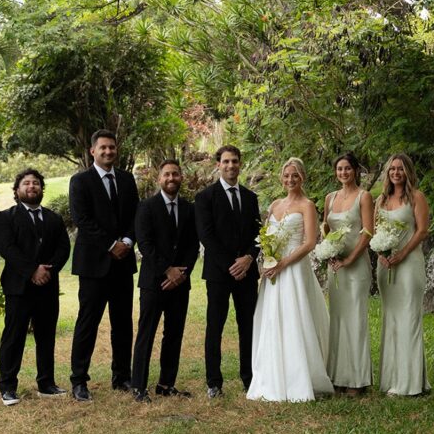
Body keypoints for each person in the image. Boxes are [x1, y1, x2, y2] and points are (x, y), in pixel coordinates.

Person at [247, 157, 333, 402]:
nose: (290, 180)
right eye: (286, 175)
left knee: (296, 317)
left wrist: (284, 263)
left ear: (302, 177)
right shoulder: (274, 205)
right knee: (273, 317)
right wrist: (268, 260)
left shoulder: (307, 205)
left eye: (295, 175)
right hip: (274, 269)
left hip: (294, 269)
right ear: (281, 178)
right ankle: (272, 374)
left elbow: (310, 242)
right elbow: (266, 237)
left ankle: (299, 378)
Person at [68, 130, 139, 401]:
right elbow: (81, 219)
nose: (108, 152)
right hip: (94, 265)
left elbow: (136, 213)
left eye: (112, 147)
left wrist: (128, 241)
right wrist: (111, 244)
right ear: (92, 151)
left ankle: (122, 376)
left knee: (122, 323)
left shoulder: (126, 178)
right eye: (103, 148)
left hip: (123, 264)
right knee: (88, 323)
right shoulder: (80, 181)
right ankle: (79, 381)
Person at [0, 168, 71, 405]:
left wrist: (48, 270)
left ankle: (46, 383)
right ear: (17, 190)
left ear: (41, 188)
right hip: (19, 287)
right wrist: (32, 271)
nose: (32, 187)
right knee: (14, 337)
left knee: (46, 336)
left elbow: (63, 248)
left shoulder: (54, 218)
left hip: (47, 287)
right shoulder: (5, 218)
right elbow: (7, 249)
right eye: (26, 183)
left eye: (36, 183)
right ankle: (8, 387)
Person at [130, 160, 199, 403]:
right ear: (160, 179)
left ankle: (166, 384)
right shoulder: (146, 207)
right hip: (153, 282)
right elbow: (145, 243)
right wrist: (166, 270)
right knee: (146, 333)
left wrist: (182, 273)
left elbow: (193, 246)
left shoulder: (190, 209)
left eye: (176, 174)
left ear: (181, 177)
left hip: (180, 282)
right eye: (167, 174)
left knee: (174, 334)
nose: (172, 178)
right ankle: (138, 386)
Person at [195, 144, 261, 397]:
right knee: (215, 326)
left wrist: (248, 259)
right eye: (226, 162)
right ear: (218, 165)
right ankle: (214, 382)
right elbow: (206, 236)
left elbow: (258, 234)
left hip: (247, 273)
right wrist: (231, 265)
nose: (231, 165)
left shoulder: (250, 197)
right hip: (219, 274)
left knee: (248, 327)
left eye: (234, 161)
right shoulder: (205, 198)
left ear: (240, 164)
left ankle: (250, 378)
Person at [375, 153, 429, 397]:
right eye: (392, 169)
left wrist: (403, 254)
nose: (396, 173)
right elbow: (377, 231)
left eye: (400, 169)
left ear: (408, 171)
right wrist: (381, 254)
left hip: (409, 263)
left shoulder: (416, 197)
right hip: (386, 265)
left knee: (409, 319)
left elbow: (422, 231)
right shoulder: (381, 200)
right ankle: (392, 378)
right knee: (393, 320)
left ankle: (410, 383)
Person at [323, 152, 374, 395]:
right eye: (339, 169)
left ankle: (357, 380)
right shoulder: (329, 198)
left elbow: (367, 232)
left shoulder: (364, 197)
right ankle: (338, 377)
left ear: (355, 171)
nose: (343, 173)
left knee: (355, 319)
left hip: (356, 265)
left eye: (347, 169)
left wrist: (351, 258)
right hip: (335, 267)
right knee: (338, 320)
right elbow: (325, 229)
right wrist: (329, 251)